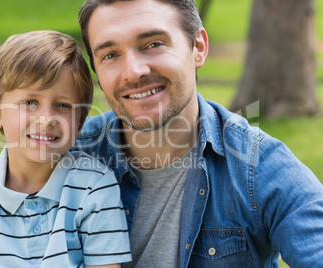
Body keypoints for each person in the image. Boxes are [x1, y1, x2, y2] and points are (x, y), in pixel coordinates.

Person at [70, 0, 323, 267]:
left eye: (153, 44)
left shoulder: (259, 168)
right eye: (110, 54)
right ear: (96, 70)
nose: (134, 72)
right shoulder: (67, 157)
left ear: (198, 48)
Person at [0, 30, 131, 268]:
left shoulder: (94, 187)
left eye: (62, 105)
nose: (47, 119)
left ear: (81, 121)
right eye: (30, 102)